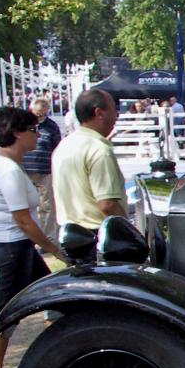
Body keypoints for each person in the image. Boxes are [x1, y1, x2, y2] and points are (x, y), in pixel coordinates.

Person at [0, 106, 69, 368]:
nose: (38, 135)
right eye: (33, 130)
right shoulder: (8, 171)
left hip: (9, 244)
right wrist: (54, 249)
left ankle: (65, 349)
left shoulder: (0, 161)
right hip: (10, 246)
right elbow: (23, 221)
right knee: (5, 312)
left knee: (52, 295)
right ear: (17, 133)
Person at [53, 89, 128, 264]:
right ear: (99, 113)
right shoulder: (98, 150)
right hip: (96, 237)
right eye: (113, 109)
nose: (117, 115)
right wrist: (128, 232)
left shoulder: (65, 145)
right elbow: (107, 205)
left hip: (71, 236)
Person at [21, 97, 62, 243]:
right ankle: (30, 236)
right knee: (26, 205)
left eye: (43, 114)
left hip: (45, 171)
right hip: (25, 170)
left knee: (47, 206)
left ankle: (48, 237)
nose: (40, 117)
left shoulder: (51, 126)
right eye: (37, 114)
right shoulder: (23, 124)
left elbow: (57, 148)